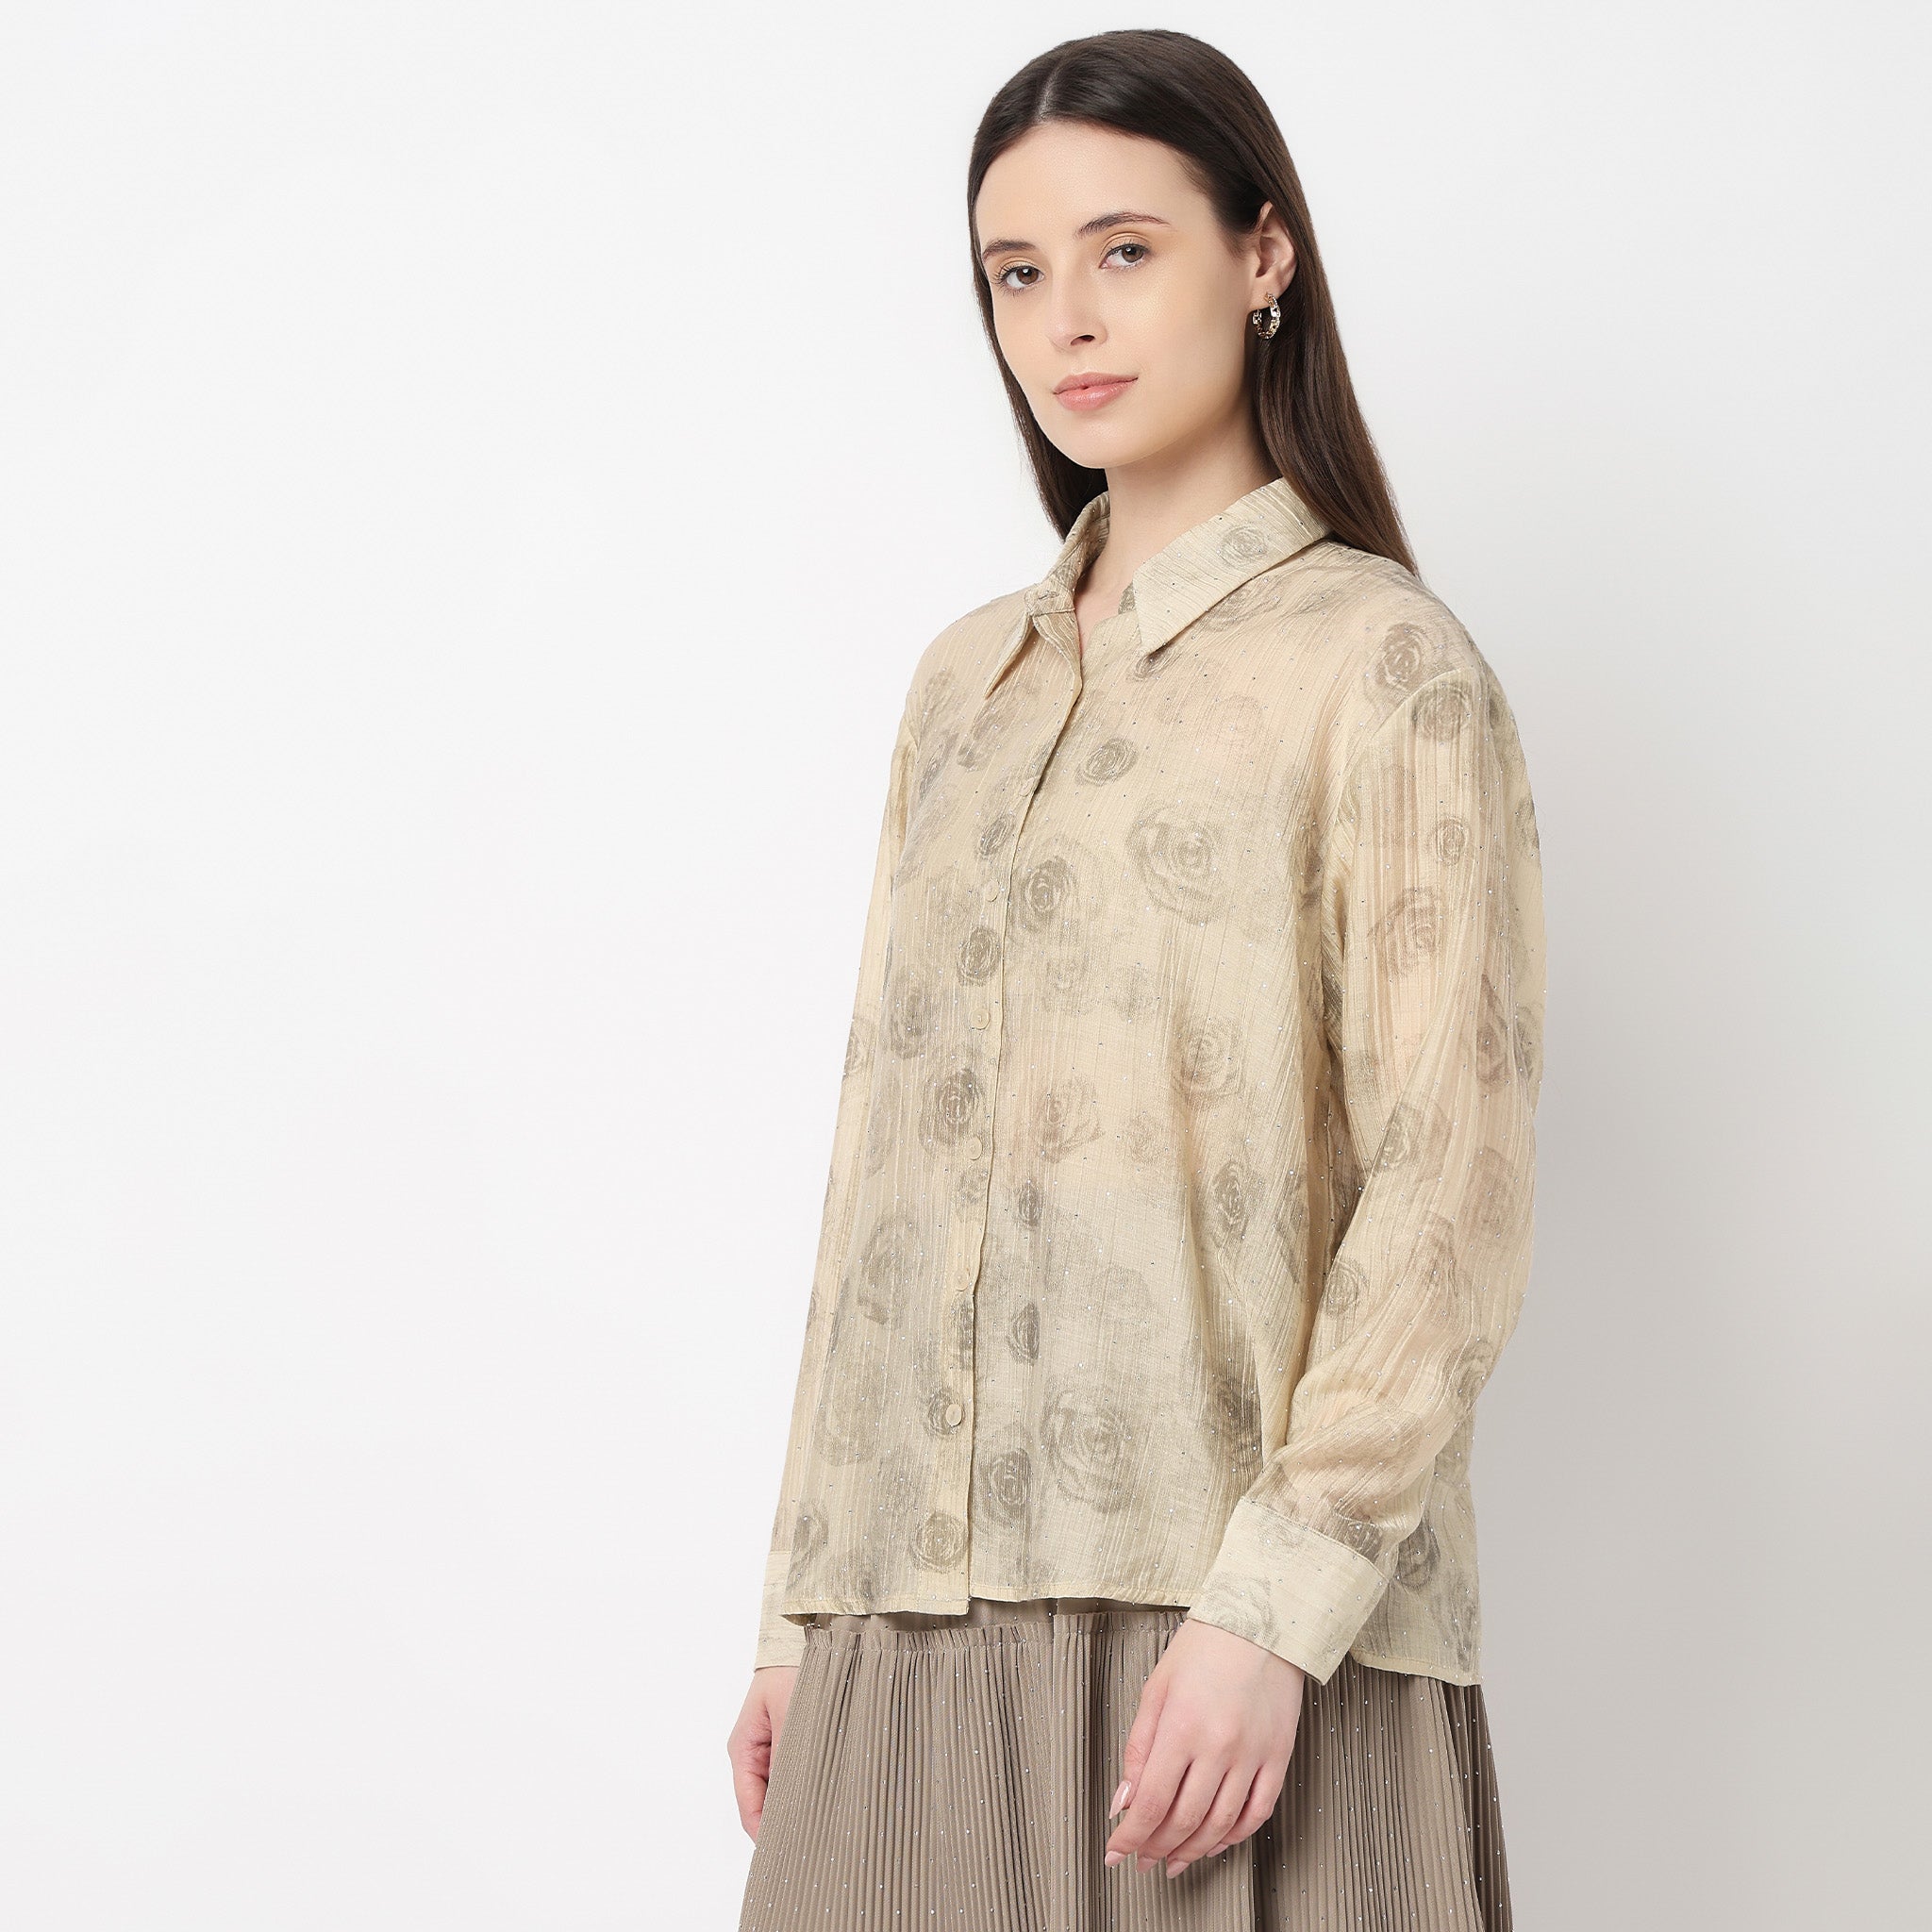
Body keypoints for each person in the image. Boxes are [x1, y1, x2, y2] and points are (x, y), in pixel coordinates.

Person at [725, 27, 1545, 1932]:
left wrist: (1275, 1612)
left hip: (1234, 1645)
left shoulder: (1382, 668)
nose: (1064, 321)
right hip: (907, 1625)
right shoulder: (965, 685)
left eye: (1123, 251)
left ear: (1263, 256)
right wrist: (799, 1604)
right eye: (1015, 273)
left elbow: (1450, 1190)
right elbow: (880, 1173)